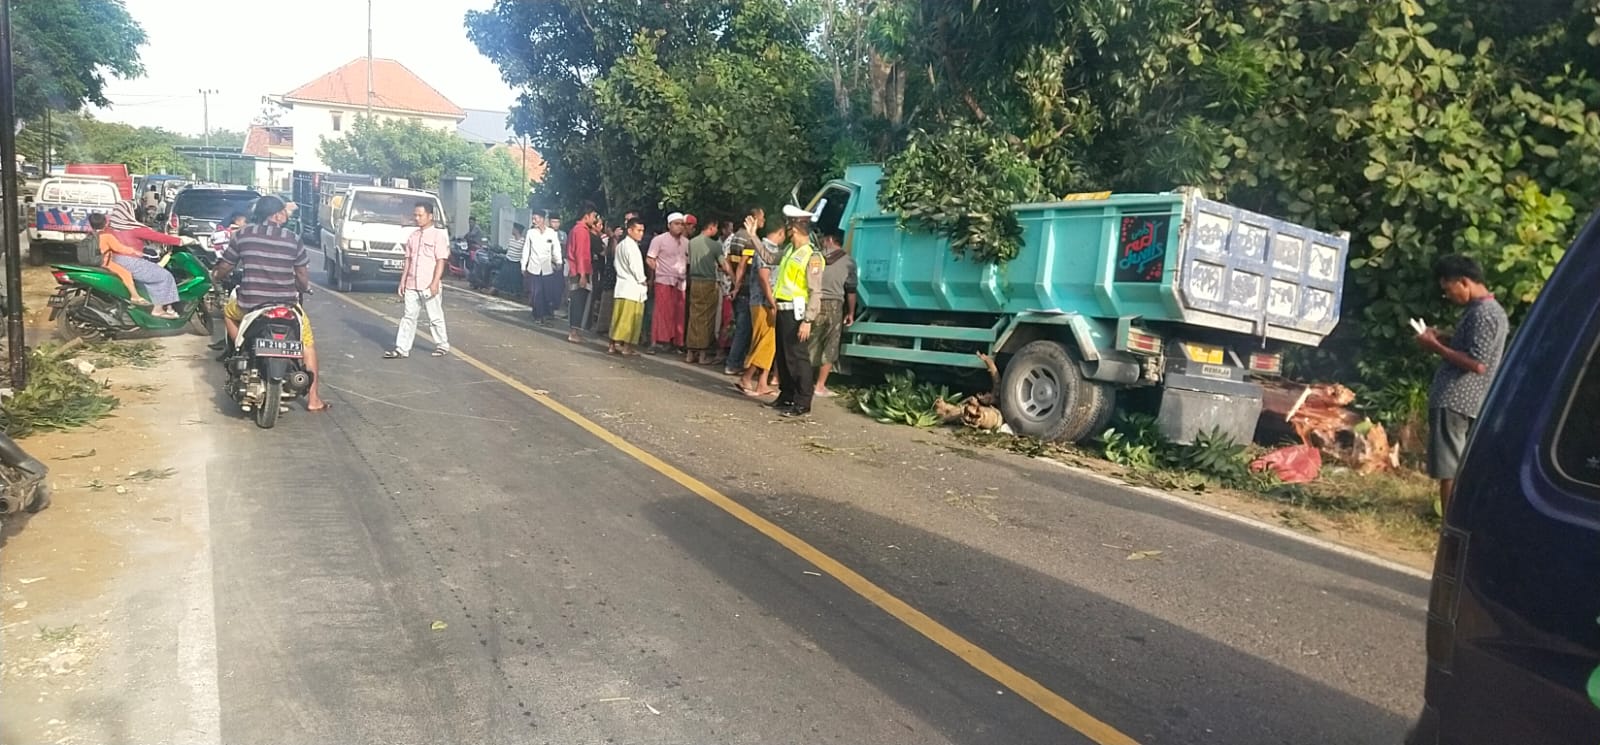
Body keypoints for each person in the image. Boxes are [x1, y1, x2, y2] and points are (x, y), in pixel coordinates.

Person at [212, 196, 328, 412]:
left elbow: (226, 266)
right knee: (307, 344)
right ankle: (313, 399)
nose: (285, 215)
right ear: (276, 215)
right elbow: (302, 275)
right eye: (283, 211)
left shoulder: (243, 234)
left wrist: (216, 276)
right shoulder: (293, 238)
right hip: (288, 305)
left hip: (251, 304)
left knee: (228, 313)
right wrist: (302, 287)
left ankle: (240, 347)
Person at [1417, 254, 1508, 513]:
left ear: (1464, 282)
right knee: (1456, 466)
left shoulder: (1484, 313)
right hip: (1467, 400)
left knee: (1449, 469)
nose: (1448, 296)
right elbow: (1474, 347)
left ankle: (1449, 523)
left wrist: (1435, 346)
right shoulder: (1486, 311)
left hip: (1458, 398)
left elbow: (1478, 363)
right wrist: (1444, 336)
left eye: (1449, 289)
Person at [771, 205, 826, 418]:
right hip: (784, 308)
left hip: (798, 312)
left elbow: (816, 291)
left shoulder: (812, 256)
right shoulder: (789, 251)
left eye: (789, 230)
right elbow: (768, 257)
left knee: (798, 357)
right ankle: (786, 395)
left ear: (795, 230)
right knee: (783, 356)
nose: (788, 234)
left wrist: (808, 320)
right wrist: (753, 237)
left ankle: (803, 401)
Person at [385, 201, 451, 359]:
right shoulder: (413, 237)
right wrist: (402, 281)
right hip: (412, 284)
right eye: (415, 215)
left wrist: (435, 282)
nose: (417, 218)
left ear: (430, 216)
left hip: (429, 284)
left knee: (434, 316)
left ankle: (442, 344)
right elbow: (408, 260)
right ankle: (402, 348)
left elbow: (441, 261)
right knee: (408, 317)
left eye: (420, 215)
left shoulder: (438, 236)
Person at [103, 201, 182, 318]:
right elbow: (158, 237)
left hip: (114, 260)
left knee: (151, 273)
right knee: (165, 276)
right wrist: (181, 241)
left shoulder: (110, 228)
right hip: (131, 262)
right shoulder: (134, 228)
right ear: (129, 212)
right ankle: (158, 309)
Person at [738, 219, 786, 397]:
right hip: (763, 302)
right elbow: (764, 278)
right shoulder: (766, 250)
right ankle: (747, 377)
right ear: (780, 233)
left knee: (768, 344)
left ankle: (762, 383)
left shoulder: (770, 250)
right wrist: (772, 301)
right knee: (765, 342)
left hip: (765, 301)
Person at [812, 231, 858, 398]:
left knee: (809, 341)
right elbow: (851, 291)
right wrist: (851, 312)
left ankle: (797, 379)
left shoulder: (815, 256)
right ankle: (820, 386)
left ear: (829, 239)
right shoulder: (849, 261)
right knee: (830, 344)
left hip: (813, 302)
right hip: (834, 304)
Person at [724, 208, 763, 375]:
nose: (763, 221)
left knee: (741, 327)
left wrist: (734, 284)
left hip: (739, 288)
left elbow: (727, 261)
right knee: (744, 329)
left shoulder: (734, 237)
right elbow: (742, 265)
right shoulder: (748, 239)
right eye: (762, 218)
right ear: (752, 219)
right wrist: (738, 284)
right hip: (746, 288)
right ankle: (733, 363)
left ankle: (735, 362)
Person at [646, 212, 690, 354]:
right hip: (663, 280)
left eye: (681, 224)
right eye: (676, 224)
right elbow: (650, 258)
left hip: (680, 281)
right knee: (661, 311)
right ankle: (654, 342)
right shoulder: (659, 240)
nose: (679, 227)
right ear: (669, 225)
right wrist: (657, 270)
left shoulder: (686, 242)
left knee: (678, 313)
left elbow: (688, 261)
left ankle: (675, 342)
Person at [609, 218, 649, 356]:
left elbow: (615, 263)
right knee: (629, 319)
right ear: (630, 230)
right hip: (632, 288)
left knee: (618, 317)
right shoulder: (631, 246)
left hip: (621, 286)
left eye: (642, 230)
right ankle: (626, 347)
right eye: (638, 230)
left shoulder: (620, 245)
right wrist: (643, 280)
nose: (641, 233)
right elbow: (636, 267)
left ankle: (612, 345)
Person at [84, 213, 146, 304]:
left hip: (91, 261)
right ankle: (135, 296)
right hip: (104, 263)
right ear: (105, 223)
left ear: (91, 224)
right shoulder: (107, 237)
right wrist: (134, 251)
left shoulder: (89, 236)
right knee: (126, 273)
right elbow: (119, 248)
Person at [685, 217, 723, 365]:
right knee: (707, 318)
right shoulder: (715, 245)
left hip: (694, 281)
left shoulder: (692, 243)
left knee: (694, 315)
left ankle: (689, 353)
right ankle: (702, 355)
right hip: (708, 282)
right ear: (712, 226)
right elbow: (723, 265)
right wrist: (733, 277)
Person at [523, 211, 564, 325]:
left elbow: (556, 248)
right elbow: (527, 250)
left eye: (536, 218)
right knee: (536, 293)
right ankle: (538, 316)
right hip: (533, 266)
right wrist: (523, 265)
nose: (534, 221)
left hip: (547, 267)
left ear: (542, 219)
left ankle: (545, 314)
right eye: (533, 219)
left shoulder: (551, 233)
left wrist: (559, 261)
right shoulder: (530, 233)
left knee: (546, 292)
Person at [566, 203, 598, 343]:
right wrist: (583, 274)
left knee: (579, 301)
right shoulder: (581, 231)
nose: (594, 219)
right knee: (578, 301)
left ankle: (576, 331)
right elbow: (580, 254)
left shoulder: (578, 229)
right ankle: (574, 332)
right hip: (580, 271)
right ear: (586, 216)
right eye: (593, 216)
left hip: (578, 270)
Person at [496, 222, 527, 297]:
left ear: (517, 230)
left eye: (513, 229)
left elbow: (524, 253)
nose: (512, 230)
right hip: (508, 261)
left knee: (515, 280)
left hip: (516, 263)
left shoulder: (523, 241)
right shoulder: (511, 240)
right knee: (501, 277)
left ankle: (516, 294)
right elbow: (509, 250)